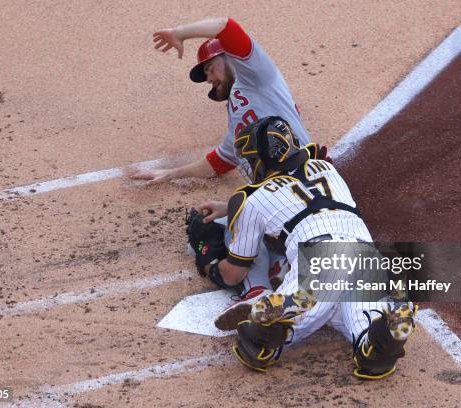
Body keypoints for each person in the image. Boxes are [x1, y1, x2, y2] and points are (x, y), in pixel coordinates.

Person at [189, 116, 416, 379]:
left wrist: (210, 263)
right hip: (367, 256)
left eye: (251, 160)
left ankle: (273, 327)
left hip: (320, 259)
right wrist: (231, 209)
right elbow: (300, 196)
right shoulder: (326, 168)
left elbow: (234, 273)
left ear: (262, 160)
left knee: (257, 348)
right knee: (365, 339)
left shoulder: (250, 199)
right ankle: (381, 339)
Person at [129, 17, 314, 186]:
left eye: (210, 68)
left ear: (231, 57)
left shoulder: (257, 74)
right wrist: (171, 174)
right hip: (281, 193)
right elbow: (221, 160)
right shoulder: (236, 116)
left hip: (310, 176)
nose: (209, 79)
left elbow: (227, 27)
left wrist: (179, 33)